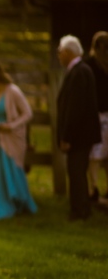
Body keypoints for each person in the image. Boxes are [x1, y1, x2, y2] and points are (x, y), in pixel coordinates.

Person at [0, 60, 37, 220]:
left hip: (12, 138)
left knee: (13, 171)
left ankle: (19, 202)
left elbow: (27, 113)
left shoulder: (13, 91)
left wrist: (11, 126)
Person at [57, 35, 102, 221]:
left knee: (76, 173)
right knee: (77, 172)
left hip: (78, 135)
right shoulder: (80, 70)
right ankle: (80, 207)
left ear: (67, 53)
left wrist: (67, 136)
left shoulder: (79, 72)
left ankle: (80, 210)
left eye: (59, 52)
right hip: (82, 134)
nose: (59, 56)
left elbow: (75, 108)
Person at [85, 31, 108, 203]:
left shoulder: (93, 65)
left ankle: (96, 188)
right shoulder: (90, 65)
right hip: (98, 116)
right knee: (97, 155)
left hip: (101, 115)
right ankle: (94, 189)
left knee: (98, 155)